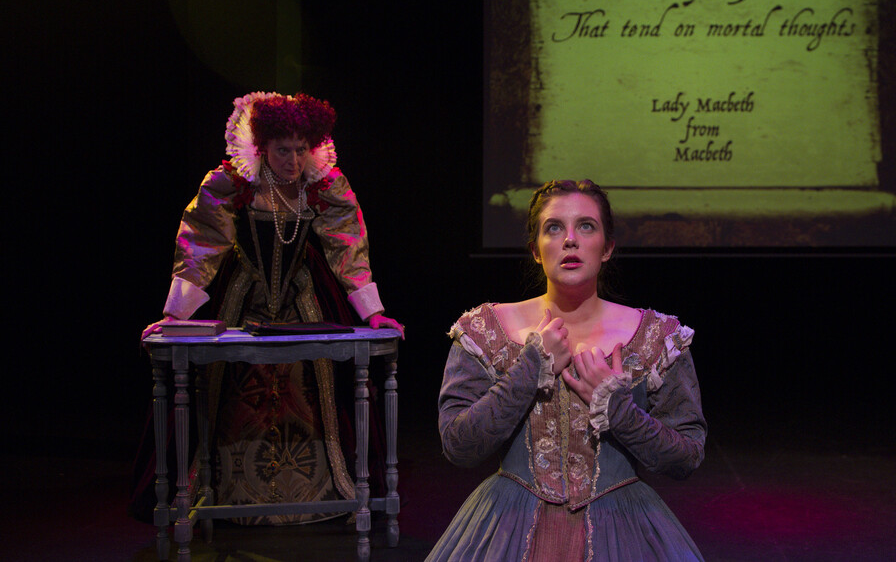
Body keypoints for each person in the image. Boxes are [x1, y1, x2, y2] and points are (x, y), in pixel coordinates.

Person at [137, 91, 402, 524]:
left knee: (312, 390)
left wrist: (372, 312)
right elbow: (202, 243)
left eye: (301, 149)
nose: (294, 160)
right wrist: (175, 315)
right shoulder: (232, 181)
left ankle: (315, 498)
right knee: (238, 391)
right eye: (283, 150)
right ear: (262, 148)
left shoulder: (323, 185)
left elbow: (348, 246)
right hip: (245, 299)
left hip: (301, 301)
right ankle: (232, 498)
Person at [427, 179, 706, 561]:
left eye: (586, 226)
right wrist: (530, 369)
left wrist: (618, 410)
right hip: (508, 523)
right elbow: (458, 446)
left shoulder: (656, 337)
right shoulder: (485, 330)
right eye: (554, 227)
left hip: (623, 529)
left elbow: (687, 457)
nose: (570, 239)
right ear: (537, 251)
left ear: (607, 248)